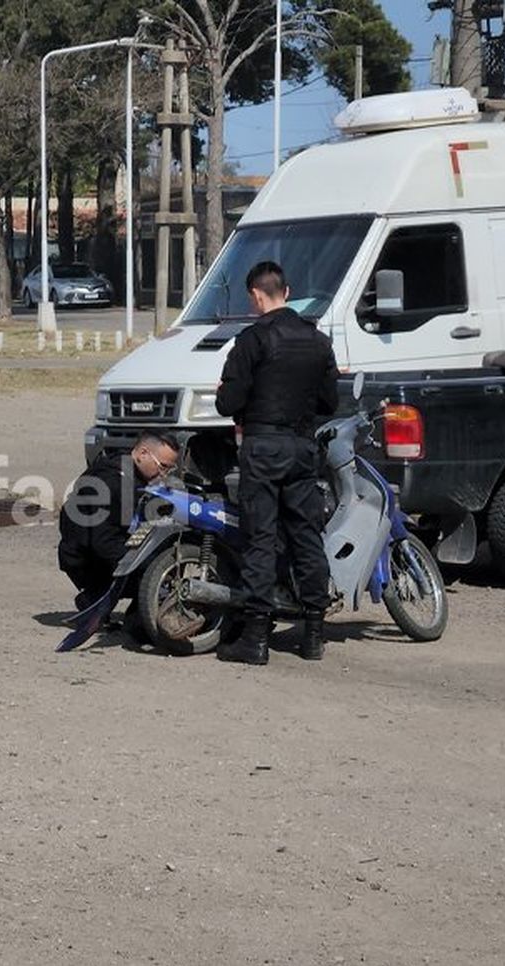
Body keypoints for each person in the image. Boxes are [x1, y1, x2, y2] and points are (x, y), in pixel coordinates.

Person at [215, 260, 340, 665]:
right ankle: (314, 633)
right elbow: (329, 402)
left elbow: (227, 403)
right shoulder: (318, 341)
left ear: (256, 295)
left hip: (263, 447)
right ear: (286, 292)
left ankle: (255, 637)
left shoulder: (252, 340)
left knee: (260, 538)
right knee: (307, 536)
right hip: (303, 448)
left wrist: (230, 394)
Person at [58, 432, 180, 612]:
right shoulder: (115, 483)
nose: (163, 474)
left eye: (169, 469)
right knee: (155, 569)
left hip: (87, 547)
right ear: (143, 454)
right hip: (85, 558)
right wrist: (150, 568)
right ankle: (100, 600)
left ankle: (98, 598)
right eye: (162, 467)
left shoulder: (121, 464)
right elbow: (104, 543)